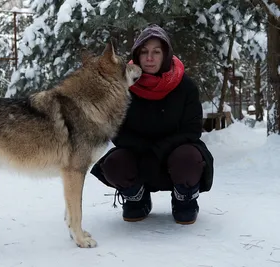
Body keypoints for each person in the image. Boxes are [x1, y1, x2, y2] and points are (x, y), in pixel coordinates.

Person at [90, 24, 214, 225]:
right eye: (144, 52)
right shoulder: (122, 86)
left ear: (165, 55)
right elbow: (117, 131)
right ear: (137, 55)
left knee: (189, 159)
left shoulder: (186, 87)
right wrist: (145, 150)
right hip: (138, 154)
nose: (149, 58)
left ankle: (184, 200)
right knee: (114, 164)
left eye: (156, 52)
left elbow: (191, 131)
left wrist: (159, 149)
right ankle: (136, 198)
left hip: (176, 151)